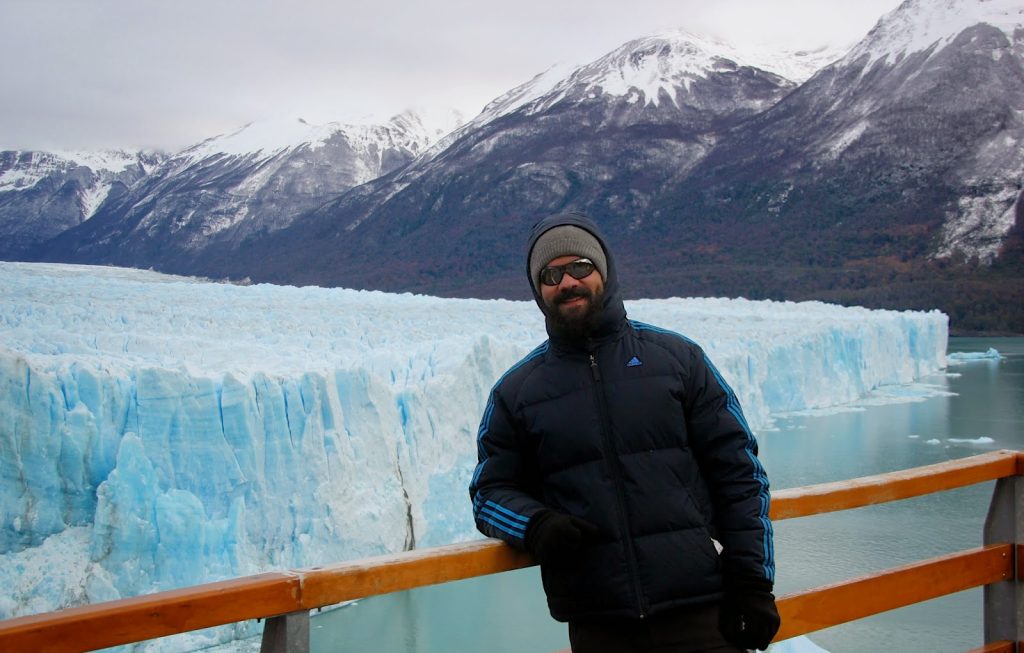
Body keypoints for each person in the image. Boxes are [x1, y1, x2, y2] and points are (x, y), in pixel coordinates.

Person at [469, 212, 780, 652]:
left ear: (605, 272)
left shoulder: (677, 360)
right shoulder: (518, 392)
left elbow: (741, 476)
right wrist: (536, 524)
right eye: (551, 274)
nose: (567, 282)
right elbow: (488, 494)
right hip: (600, 625)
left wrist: (753, 583)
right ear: (538, 291)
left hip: (703, 614)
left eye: (580, 267)